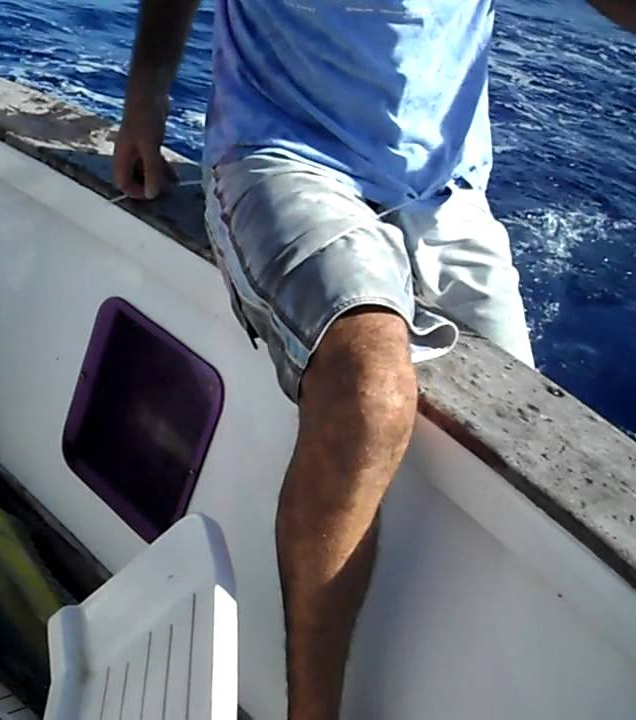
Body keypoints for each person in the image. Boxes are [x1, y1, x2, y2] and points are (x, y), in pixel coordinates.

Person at [113, 1, 636, 719]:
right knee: (370, 389)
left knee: (521, 469)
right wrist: (146, 98)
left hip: (445, 196)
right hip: (282, 156)